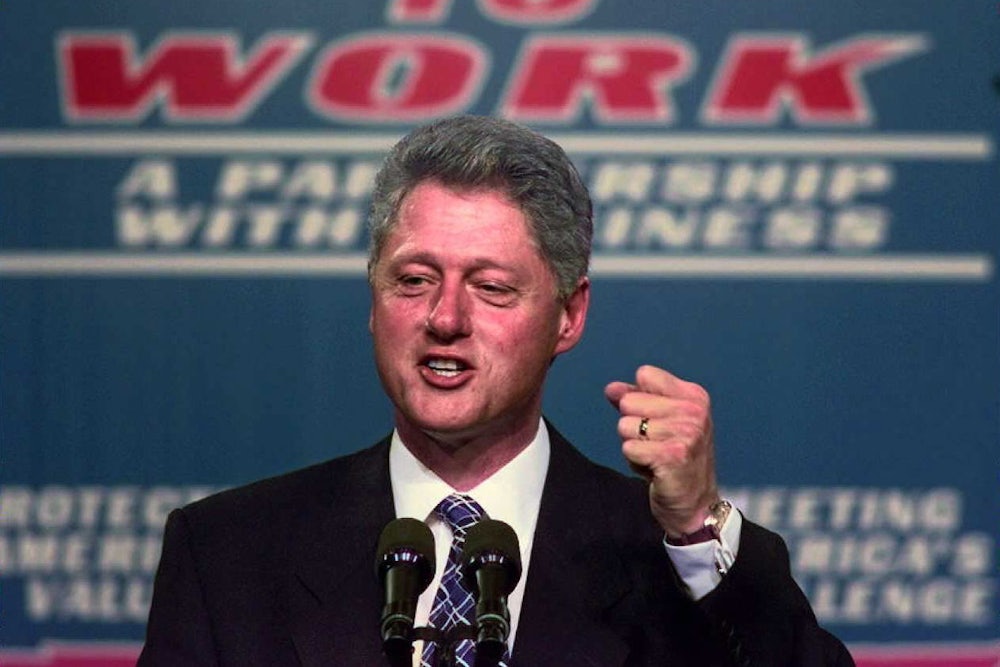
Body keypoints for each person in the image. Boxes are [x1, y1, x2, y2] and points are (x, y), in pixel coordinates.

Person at [139, 115, 853, 666]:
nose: (444, 318)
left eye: (490, 287)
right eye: (414, 280)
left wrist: (697, 527)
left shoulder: (658, 556)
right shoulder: (227, 555)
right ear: (373, 298)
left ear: (569, 315)